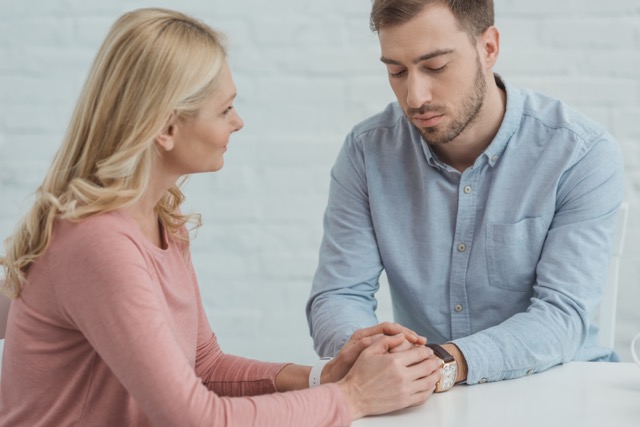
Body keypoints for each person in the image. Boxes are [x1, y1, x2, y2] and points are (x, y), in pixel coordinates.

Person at [0, 8, 443, 426]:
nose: (238, 123)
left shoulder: (161, 221)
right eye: (224, 109)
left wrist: (321, 379)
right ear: (166, 128)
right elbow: (197, 418)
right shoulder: (97, 243)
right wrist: (354, 398)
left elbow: (204, 366)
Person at [307, 0, 625, 390]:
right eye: (396, 71)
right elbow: (338, 294)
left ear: (488, 47)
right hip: (433, 399)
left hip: (561, 389)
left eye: (436, 67)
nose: (415, 97)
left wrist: (444, 364)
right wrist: (376, 356)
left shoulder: (578, 152)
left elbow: (561, 315)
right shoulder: (367, 151)